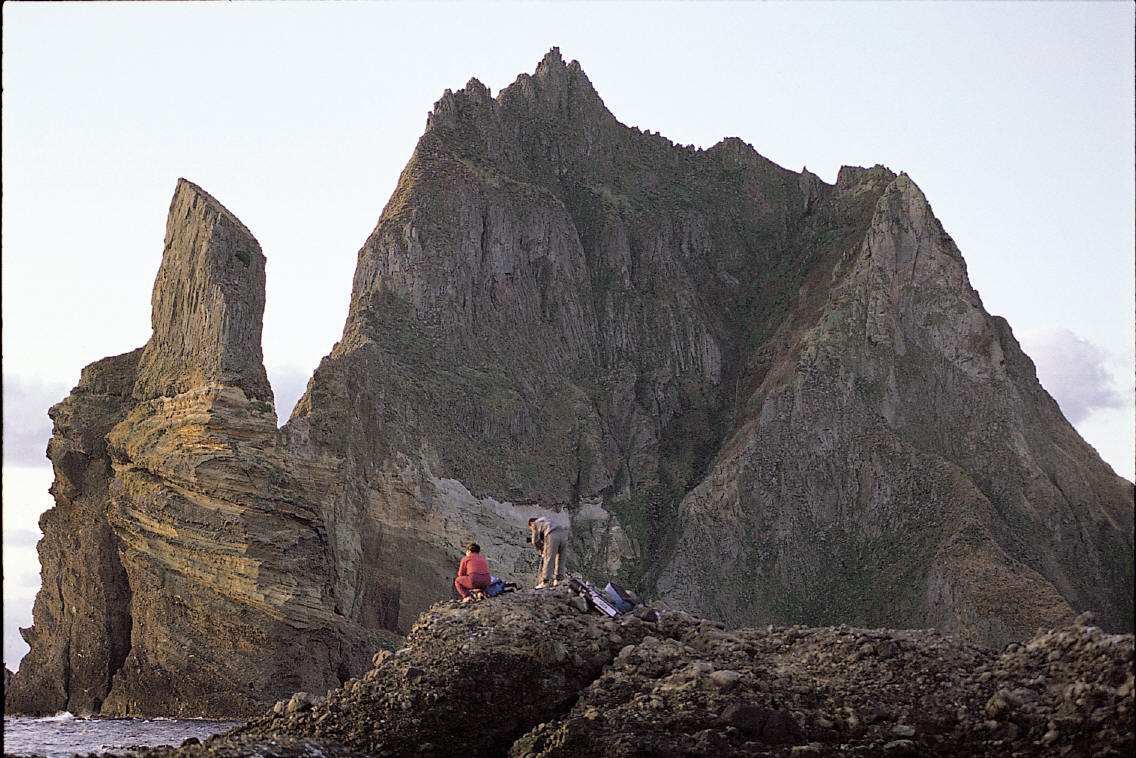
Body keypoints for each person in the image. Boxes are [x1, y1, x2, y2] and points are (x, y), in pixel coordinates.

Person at [528, 516, 569, 588]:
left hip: (552, 534)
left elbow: (534, 541)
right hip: (564, 535)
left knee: (549, 558)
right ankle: (558, 581)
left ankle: (544, 582)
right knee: (561, 558)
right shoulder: (546, 520)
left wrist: (541, 548)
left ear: (531, 524)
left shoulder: (535, 524)